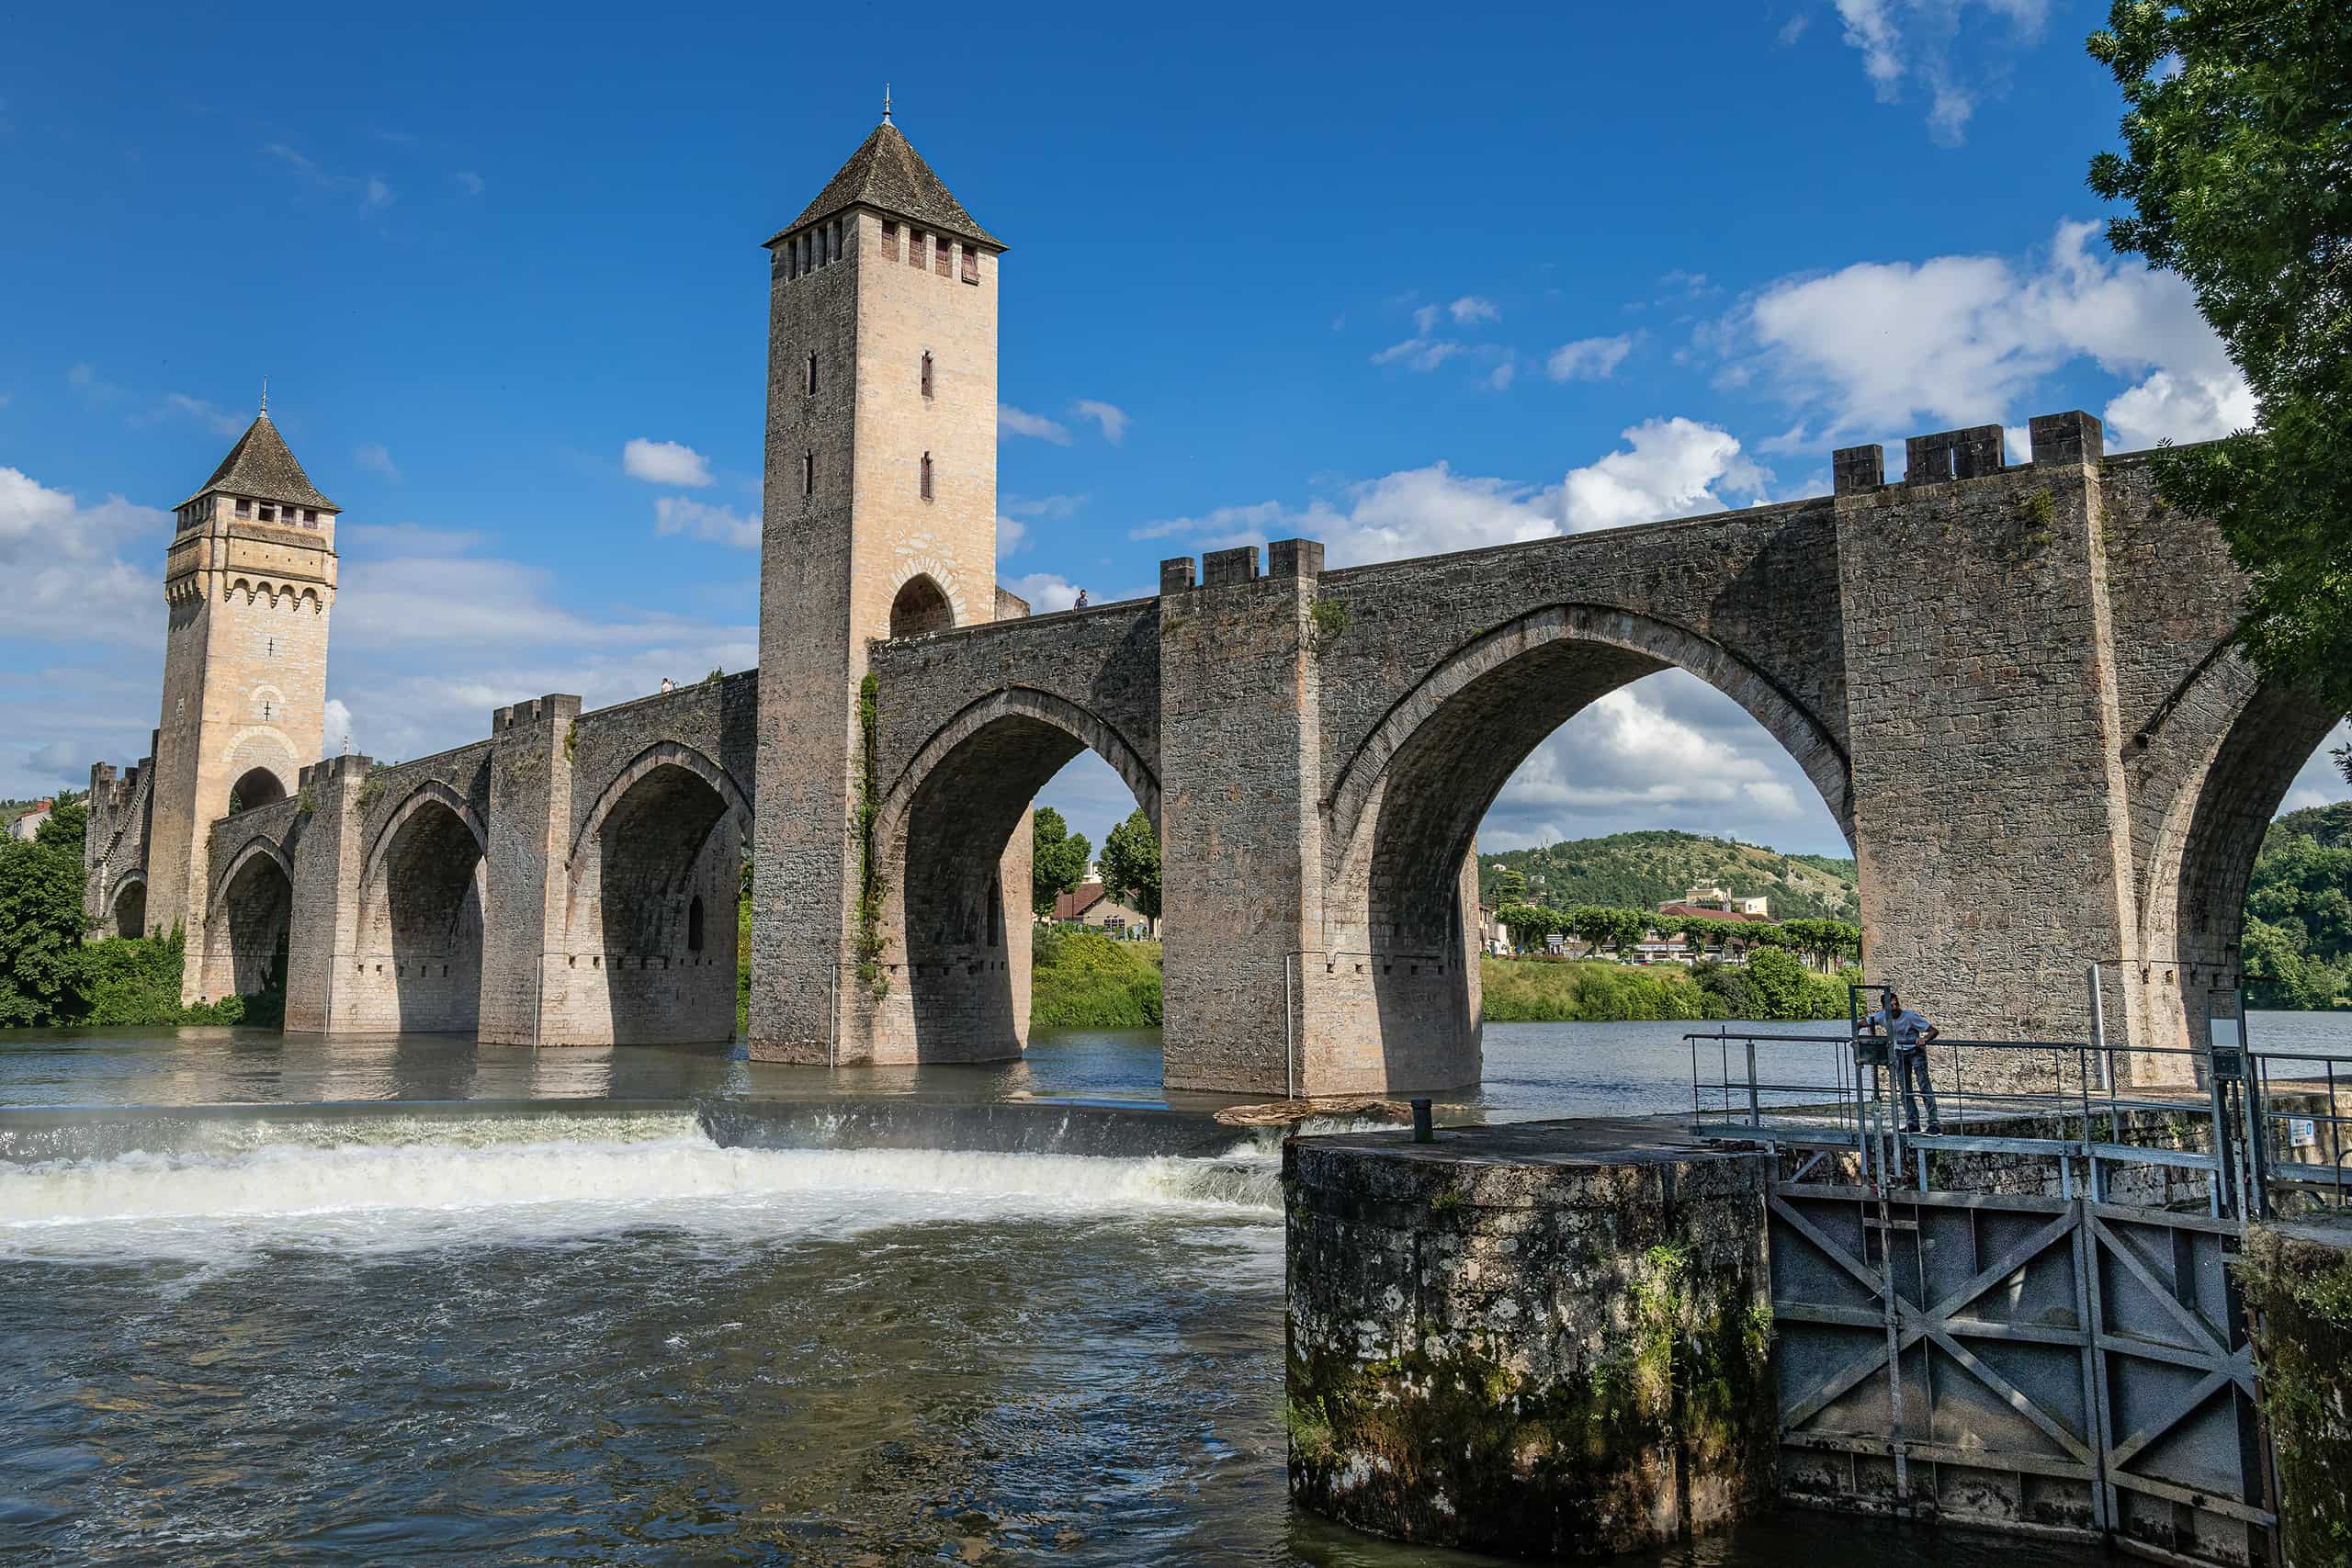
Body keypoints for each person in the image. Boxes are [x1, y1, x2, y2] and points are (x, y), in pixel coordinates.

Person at [1866, 988, 1942, 1134]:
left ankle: (1934, 1124)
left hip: (1915, 1051)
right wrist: (1856, 1032)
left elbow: (1933, 1031)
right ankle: (1913, 1123)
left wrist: (1924, 1039)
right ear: (1884, 1008)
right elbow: (1866, 1021)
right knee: (1905, 1091)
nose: (1895, 1008)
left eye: (1896, 1005)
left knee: (1924, 1086)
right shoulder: (1881, 1016)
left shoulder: (1910, 1016)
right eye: (1891, 1006)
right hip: (1900, 1053)